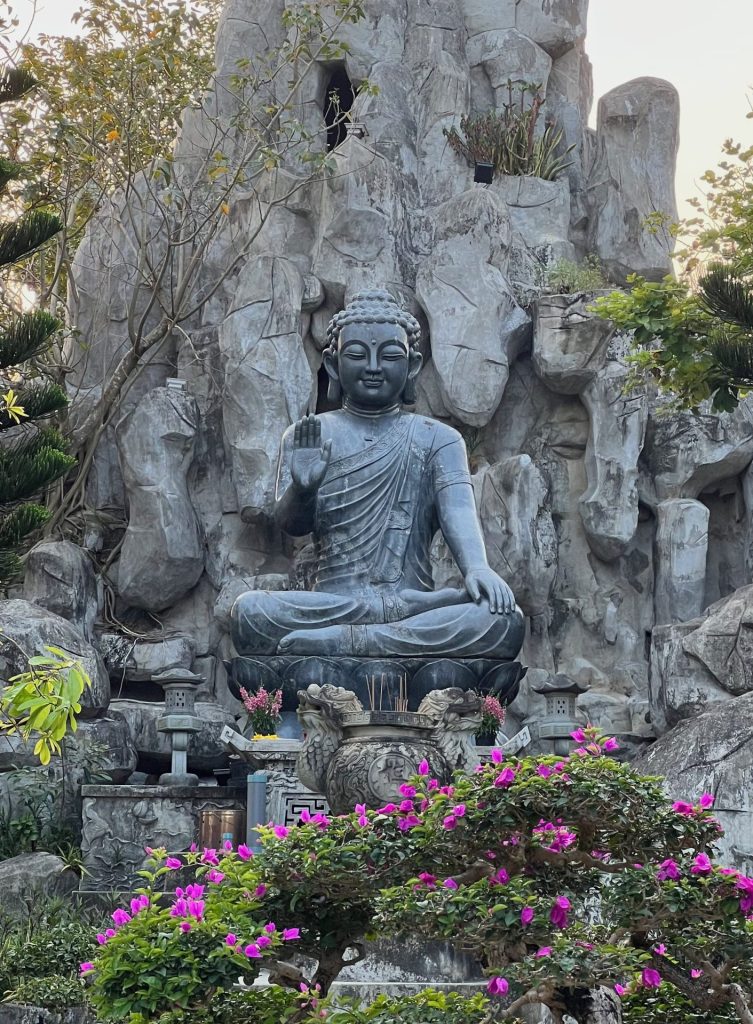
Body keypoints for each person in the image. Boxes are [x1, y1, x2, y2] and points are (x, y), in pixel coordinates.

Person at [231, 289, 524, 659]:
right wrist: (303, 490)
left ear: (412, 366)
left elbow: (459, 512)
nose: (373, 367)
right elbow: (291, 525)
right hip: (337, 602)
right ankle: (378, 633)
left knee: (503, 619)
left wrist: (477, 568)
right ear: (334, 365)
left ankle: (351, 641)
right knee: (250, 612)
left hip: (409, 598)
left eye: (389, 356)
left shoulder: (439, 439)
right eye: (357, 355)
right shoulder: (309, 435)